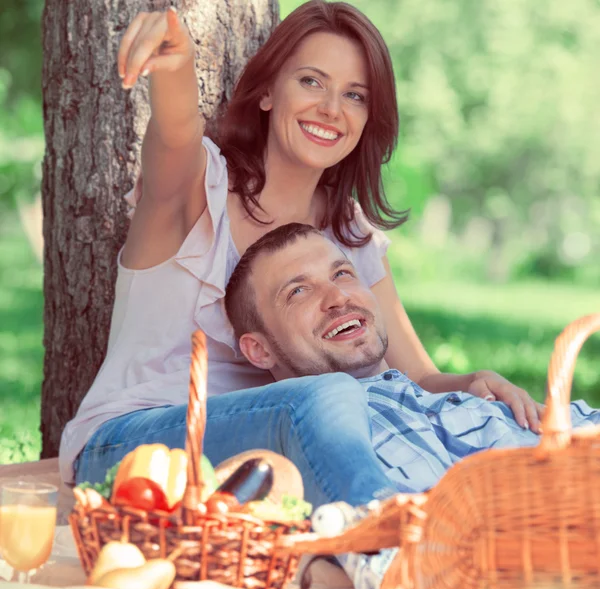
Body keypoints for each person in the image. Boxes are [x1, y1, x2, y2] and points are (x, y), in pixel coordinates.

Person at [61, 1, 538, 494]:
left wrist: (476, 384)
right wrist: (175, 62)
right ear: (267, 91)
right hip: (132, 452)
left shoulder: (348, 229)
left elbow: (416, 375)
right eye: (311, 81)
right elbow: (176, 129)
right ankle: (385, 543)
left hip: (259, 464)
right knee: (325, 396)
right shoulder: (197, 191)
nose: (331, 109)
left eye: (354, 95)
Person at [222, 221, 600, 589]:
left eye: (342, 273)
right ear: (259, 349)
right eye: (299, 291)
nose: (337, 296)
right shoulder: (329, 447)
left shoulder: (475, 401)